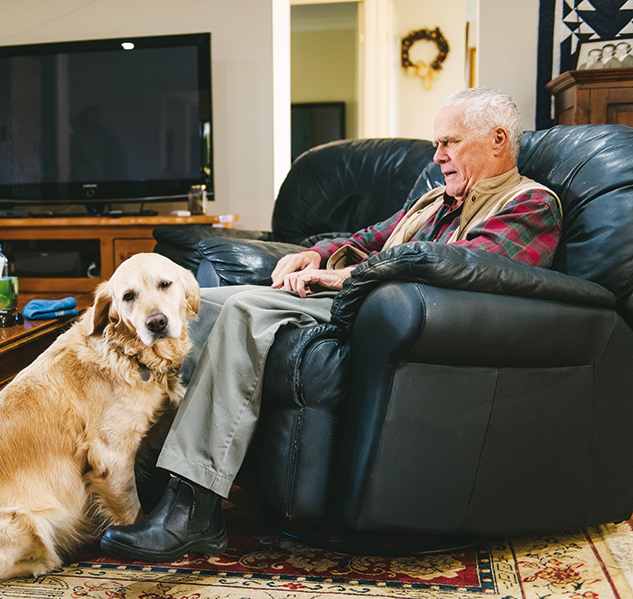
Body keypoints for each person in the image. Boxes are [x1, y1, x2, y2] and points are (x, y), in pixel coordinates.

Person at [100, 87, 563, 563]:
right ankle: (153, 474)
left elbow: (469, 267)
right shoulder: (432, 201)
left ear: (498, 140)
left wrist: (346, 275)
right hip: (356, 296)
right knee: (207, 306)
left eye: (450, 142)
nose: (438, 155)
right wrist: (315, 253)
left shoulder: (530, 204)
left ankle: (193, 512)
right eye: (436, 144)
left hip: (397, 316)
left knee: (244, 314)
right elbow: (367, 237)